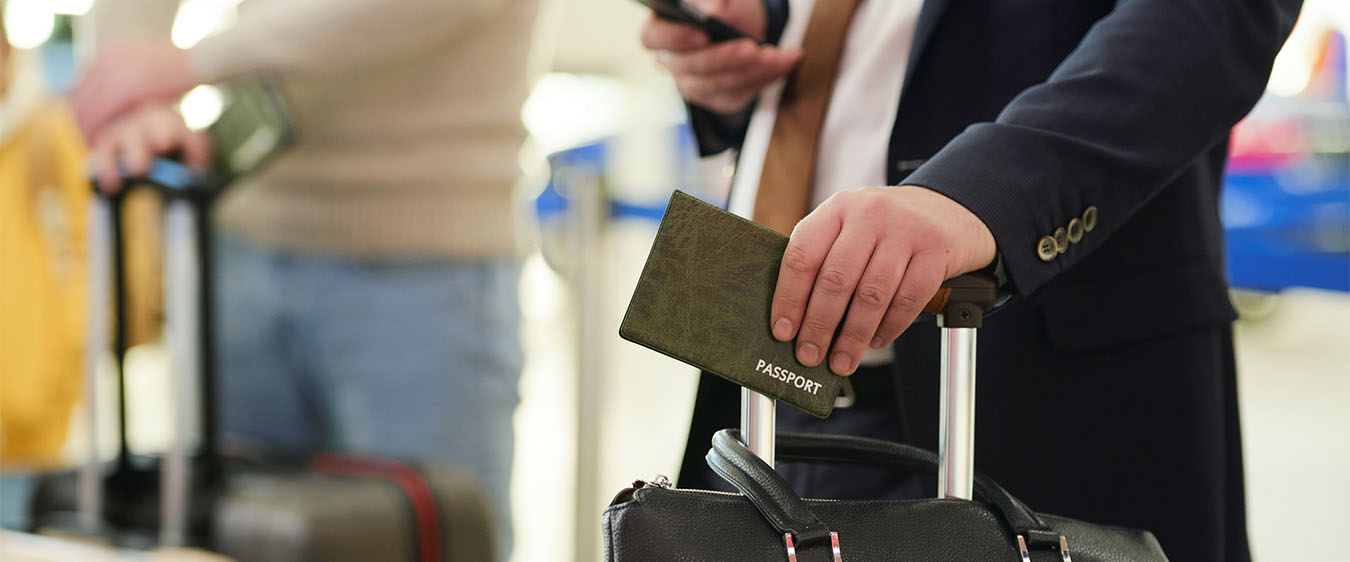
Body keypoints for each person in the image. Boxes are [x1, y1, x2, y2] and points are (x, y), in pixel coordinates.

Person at [641, 0, 1302, 560]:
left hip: (1033, 396)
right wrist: (745, 43)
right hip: (760, 387)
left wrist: (984, 194)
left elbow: (1209, 19)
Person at [75, 1, 539, 558]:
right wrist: (133, 99)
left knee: (430, 543)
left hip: (427, 265)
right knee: (230, 541)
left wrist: (191, 62)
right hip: (240, 237)